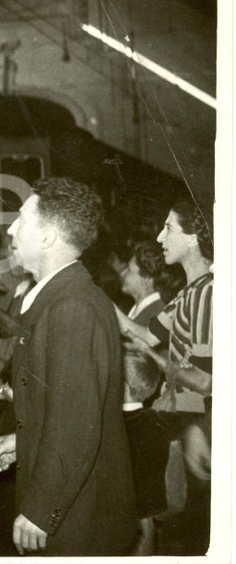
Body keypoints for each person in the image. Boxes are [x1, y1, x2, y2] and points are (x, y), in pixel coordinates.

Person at [0, 177, 137, 555]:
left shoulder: (71, 308)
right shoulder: (64, 298)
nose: (11, 229)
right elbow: (65, 405)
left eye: (21, 220)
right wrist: (23, 440)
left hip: (78, 517)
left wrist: (40, 510)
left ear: (48, 237)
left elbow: (76, 424)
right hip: (78, 504)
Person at [116, 200, 212, 555]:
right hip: (185, 425)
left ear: (194, 236)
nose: (160, 236)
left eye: (169, 228)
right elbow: (143, 334)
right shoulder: (188, 293)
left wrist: (194, 430)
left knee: (189, 535)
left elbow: (204, 382)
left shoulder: (207, 293)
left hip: (198, 430)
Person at [121, 351, 172, 555]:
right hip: (149, 512)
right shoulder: (157, 421)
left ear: (122, 387)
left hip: (122, 514)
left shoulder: (116, 425)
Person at [119, 239, 185, 328]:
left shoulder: (157, 315)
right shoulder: (141, 309)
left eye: (129, 270)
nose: (122, 273)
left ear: (146, 279)